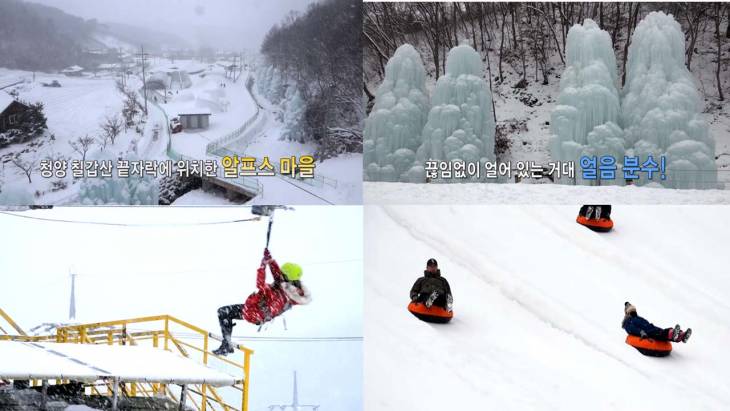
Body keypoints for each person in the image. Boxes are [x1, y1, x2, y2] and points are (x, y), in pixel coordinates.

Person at [213, 249, 311, 355]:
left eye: (283, 274)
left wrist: (262, 267)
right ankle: (226, 344)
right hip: (256, 312)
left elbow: (260, 284)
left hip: (253, 312)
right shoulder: (291, 290)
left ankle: (226, 345)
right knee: (225, 312)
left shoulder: (279, 295)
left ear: (287, 277)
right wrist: (270, 260)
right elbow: (278, 276)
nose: (280, 275)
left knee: (223, 312)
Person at [622, 302, 691, 343]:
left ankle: (682, 335)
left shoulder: (639, 318)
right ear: (628, 313)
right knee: (662, 334)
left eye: (634, 311)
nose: (634, 312)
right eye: (632, 311)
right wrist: (641, 332)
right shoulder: (628, 321)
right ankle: (674, 334)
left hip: (651, 328)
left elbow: (647, 324)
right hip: (647, 333)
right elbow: (632, 329)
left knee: (664, 332)